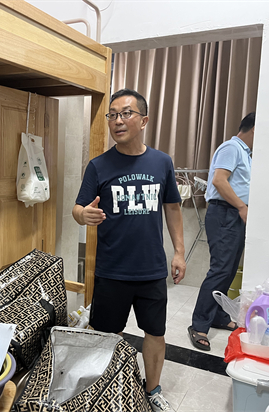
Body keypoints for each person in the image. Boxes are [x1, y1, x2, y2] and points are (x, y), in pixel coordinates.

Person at [73, 88, 186, 412]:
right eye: (112, 115)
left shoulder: (162, 162)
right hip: (112, 270)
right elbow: (78, 208)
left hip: (151, 269)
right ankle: (106, 390)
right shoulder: (98, 166)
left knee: (155, 333)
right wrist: (83, 215)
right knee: (105, 334)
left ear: (144, 120)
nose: (117, 121)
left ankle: (153, 390)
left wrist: (179, 252)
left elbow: (173, 208)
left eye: (126, 113)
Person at [188, 112, 255, 351]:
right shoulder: (232, 148)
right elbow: (219, 180)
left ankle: (217, 315)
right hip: (225, 212)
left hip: (233, 214)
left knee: (229, 269)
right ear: (254, 129)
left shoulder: (245, 154)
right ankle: (198, 325)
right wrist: (242, 207)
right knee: (220, 270)